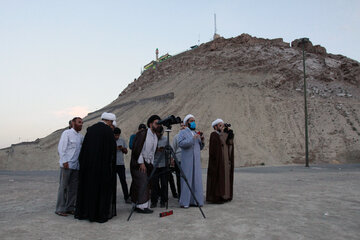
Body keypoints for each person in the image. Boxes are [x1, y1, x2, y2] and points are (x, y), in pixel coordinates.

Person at [75, 112, 117, 223]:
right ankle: (99, 214)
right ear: (109, 121)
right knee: (101, 191)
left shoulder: (91, 129)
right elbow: (112, 151)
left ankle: (87, 212)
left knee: (90, 189)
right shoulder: (107, 131)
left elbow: (84, 150)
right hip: (102, 169)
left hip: (88, 168)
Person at [130, 115, 161, 214]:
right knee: (142, 183)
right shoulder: (142, 133)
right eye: (156, 123)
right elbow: (137, 149)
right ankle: (141, 207)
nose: (158, 125)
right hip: (138, 163)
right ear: (150, 124)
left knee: (146, 183)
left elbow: (152, 152)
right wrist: (141, 163)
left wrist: (151, 164)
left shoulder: (155, 136)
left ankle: (138, 204)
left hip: (148, 163)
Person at [55, 117, 84, 217]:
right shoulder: (66, 133)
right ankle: (60, 208)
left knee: (73, 188)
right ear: (73, 123)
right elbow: (61, 148)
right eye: (79, 122)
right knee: (63, 187)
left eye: (82, 123)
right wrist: (64, 161)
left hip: (76, 166)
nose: (81, 124)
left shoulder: (80, 137)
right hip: (67, 165)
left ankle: (70, 208)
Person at [178, 114, 205, 208]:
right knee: (187, 180)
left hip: (196, 161)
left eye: (194, 120)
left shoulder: (195, 133)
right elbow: (180, 143)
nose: (193, 122)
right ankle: (185, 202)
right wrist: (192, 139)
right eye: (191, 121)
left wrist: (202, 140)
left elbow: (200, 147)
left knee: (196, 180)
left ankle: (196, 201)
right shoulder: (183, 132)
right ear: (186, 123)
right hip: (187, 161)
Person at [206, 119, 235, 203]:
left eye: (222, 125)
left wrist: (230, 135)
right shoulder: (214, 135)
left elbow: (229, 143)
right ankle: (217, 197)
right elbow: (214, 149)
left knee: (225, 179)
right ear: (215, 127)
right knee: (218, 179)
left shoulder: (223, 134)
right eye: (220, 125)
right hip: (218, 162)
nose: (222, 127)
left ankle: (226, 196)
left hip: (225, 160)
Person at [151, 126, 168, 208]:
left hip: (163, 164)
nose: (158, 135)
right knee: (154, 184)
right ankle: (154, 201)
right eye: (157, 133)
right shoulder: (152, 139)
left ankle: (163, 201)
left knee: (164, 184)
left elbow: (169, 150)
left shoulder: (165, 139)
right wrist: (156, 150)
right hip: (154, 164)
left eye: (160, 134)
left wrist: (164, 150)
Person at [114, 127, 131, 204]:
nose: (116, 137)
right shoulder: (110, 141)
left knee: (123, 181)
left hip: (120, 164)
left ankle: (126, 197)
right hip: (113, 164)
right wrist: (115, 148)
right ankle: (112, 198)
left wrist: (123, 149)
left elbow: (126, 151)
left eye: (118, 135)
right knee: (112, 182)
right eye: (115, 135)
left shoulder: (122, 140)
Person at [171, 122, 186, 198]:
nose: (183, 127)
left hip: (187, 161)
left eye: (184, 126)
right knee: (179, 179)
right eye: (182, 126)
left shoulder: (189, 136)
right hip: (178, 160)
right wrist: (172, 159)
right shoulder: (176, 137)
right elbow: (173, 149)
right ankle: (180, 195)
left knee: (187, 178)